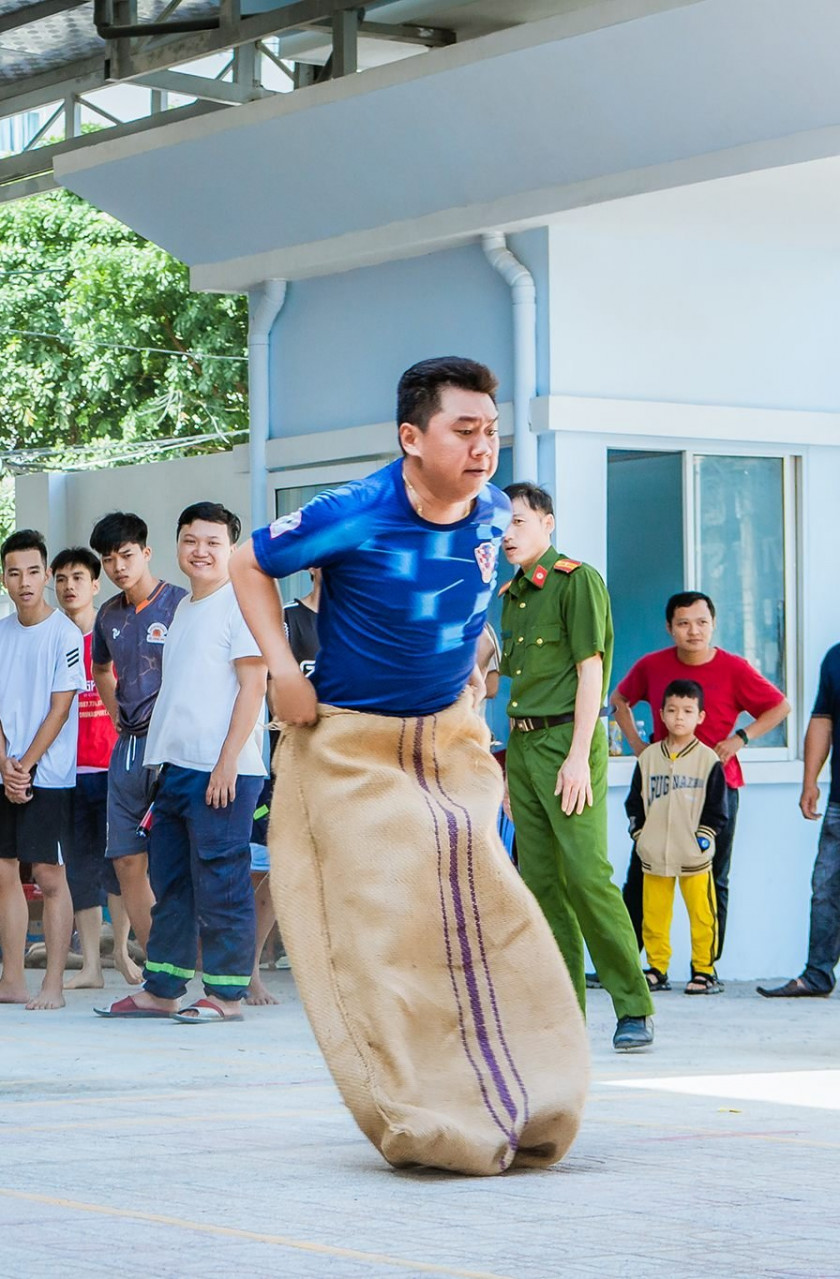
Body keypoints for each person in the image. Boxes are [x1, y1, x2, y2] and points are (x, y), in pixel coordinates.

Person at [230, 357, 590, 1176]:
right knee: (386, 934)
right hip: (354, 743)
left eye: (490, 430)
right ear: (410, 437)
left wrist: (470, 664)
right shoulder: (354, 512)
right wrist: (285, 671)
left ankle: (527, 1094)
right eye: (464, 430)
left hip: (449, 743)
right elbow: (251, 565)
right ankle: (420, 1111)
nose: (483, 446)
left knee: (493, 916)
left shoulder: (494, 509)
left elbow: (473, 589)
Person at [498, 482, 654, 1047]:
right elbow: (506, 683)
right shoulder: (510, 594)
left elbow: (593, 672)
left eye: (518, 521)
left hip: (570, 739)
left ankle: (633, 1006)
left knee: (588, 875)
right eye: (501, 523)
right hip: (522, 746)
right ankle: (562, 1016)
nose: (507, 533)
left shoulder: (575, 580)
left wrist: (579, 759)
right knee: (540, 882)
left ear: (548, 523)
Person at [99, 503, 266, 1024]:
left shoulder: (242, 604)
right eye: (191, 540)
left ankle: (227, 995)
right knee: (172, 885)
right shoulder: (186, 609)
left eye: (213, 542)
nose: (201, 551)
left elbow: (254, 686)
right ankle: (163, 988)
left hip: (222, 772)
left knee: (222, 883)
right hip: (173, 767)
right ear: (177, 545)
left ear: (231, 550)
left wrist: (226, 763)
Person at [612, 591, 790, 964]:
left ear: (713, 625)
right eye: (683, 623)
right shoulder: (651, 665)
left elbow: (780, 706)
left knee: (712, 877)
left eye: (701, 622)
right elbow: (620, 699)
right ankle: (629, 963)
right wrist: (636, 745)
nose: (694, 631)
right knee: (643, 871)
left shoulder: (735, 668)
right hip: (661, 787)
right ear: (669, 628)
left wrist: (740, 739)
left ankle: (706, 969)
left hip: (716, 787)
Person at [0, 531, 81, 1011]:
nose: (24, 581)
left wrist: (25, 766)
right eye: (14, 572)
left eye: (33, 572)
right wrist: (3, 761)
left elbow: (61, 707)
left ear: (46, 575)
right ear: (4, 578)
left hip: (47, 776)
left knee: (49, 877)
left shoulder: (65, 634)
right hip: (4, 770)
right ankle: (11, 980)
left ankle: (52, 984)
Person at [87, 511, 182, 965]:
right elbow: (101, 668)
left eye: (126, 555)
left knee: (178, 863)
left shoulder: (181, 604)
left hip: (177, 747)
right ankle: (158, 967)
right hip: (128, 748)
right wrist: (114, 712)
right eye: (108, 560)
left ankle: (201, 967)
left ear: (145, 553)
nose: (118, 567)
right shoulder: (107, 615)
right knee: (127, 861)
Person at [51, 546, 129, 990]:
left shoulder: (114, 635)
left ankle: (120, 949)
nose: (69, 586)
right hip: (68, 772)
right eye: (60, 579)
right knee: (80, 866)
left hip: (114, 765)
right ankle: (91, 966)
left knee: (121, 861)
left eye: (78, 577)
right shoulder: (52, 641)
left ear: (96, 585)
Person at [246, 567, 323, 1004]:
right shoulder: (290, 621)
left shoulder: (358, 622)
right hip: (295, 766)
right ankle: (251, 969)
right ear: (313, 566)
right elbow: (276, 692)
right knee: (279, 875)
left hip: (348, 767)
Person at [625, 680, 730, 996]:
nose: (678, 717)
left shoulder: (708, 760)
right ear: (661, 714)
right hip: (654, 854)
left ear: (700, 716)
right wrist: (640, 835)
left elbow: (717, 810)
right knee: (654, 916)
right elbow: (634, 802)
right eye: (672, 710)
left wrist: (703, 839)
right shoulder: (648, 759)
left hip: (694, 857)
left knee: (702, 914)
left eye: (687, 711)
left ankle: (704, 970)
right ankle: (657, 968)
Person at [759, 640, 840, 998]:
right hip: (839, 801)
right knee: (825, 889)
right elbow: (823, 722)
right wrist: (810, 782)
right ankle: (817, 974)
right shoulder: (836, 658)